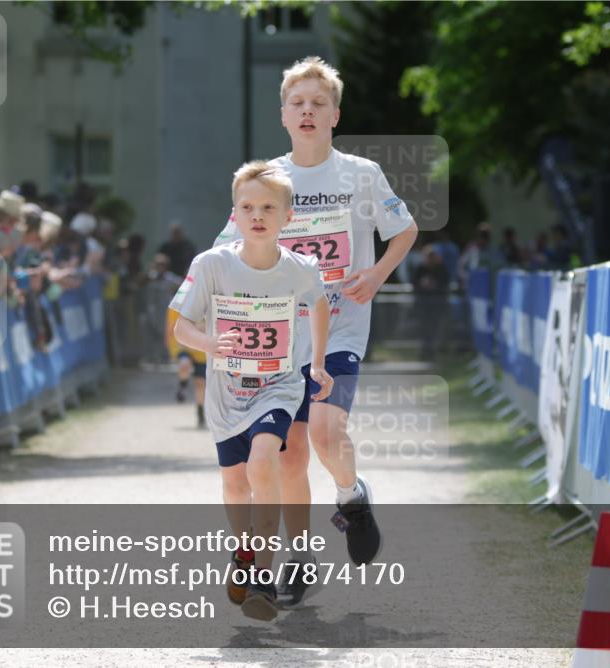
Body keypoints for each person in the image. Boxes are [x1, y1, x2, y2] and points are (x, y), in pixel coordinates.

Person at [212, 56, 418, 606]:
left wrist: (375, 275)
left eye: (318, 103)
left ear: (335, 115)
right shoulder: (269, 179)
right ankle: (300, 556)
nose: (307, 110)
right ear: (283, 115)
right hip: (283, 338)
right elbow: (225, 246)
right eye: (297, 103)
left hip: (341, 325)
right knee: (291, 455)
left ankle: (352, 498)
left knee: (327, 435)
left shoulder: (361, 174)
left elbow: (404, 229)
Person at [171, 161, 333, 621]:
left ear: (286, 217)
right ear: (235, 215)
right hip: (226, 393)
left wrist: (317, 363)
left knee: (265, 461)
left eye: (267, 207)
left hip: (279, 386)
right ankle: (243, 551)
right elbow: (182, 326)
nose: (257, 214)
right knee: (235, 482)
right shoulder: (211, 265)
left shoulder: (300, 268)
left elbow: (319, 305)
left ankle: (263, 576)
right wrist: (208, 342)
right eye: (247, 207)